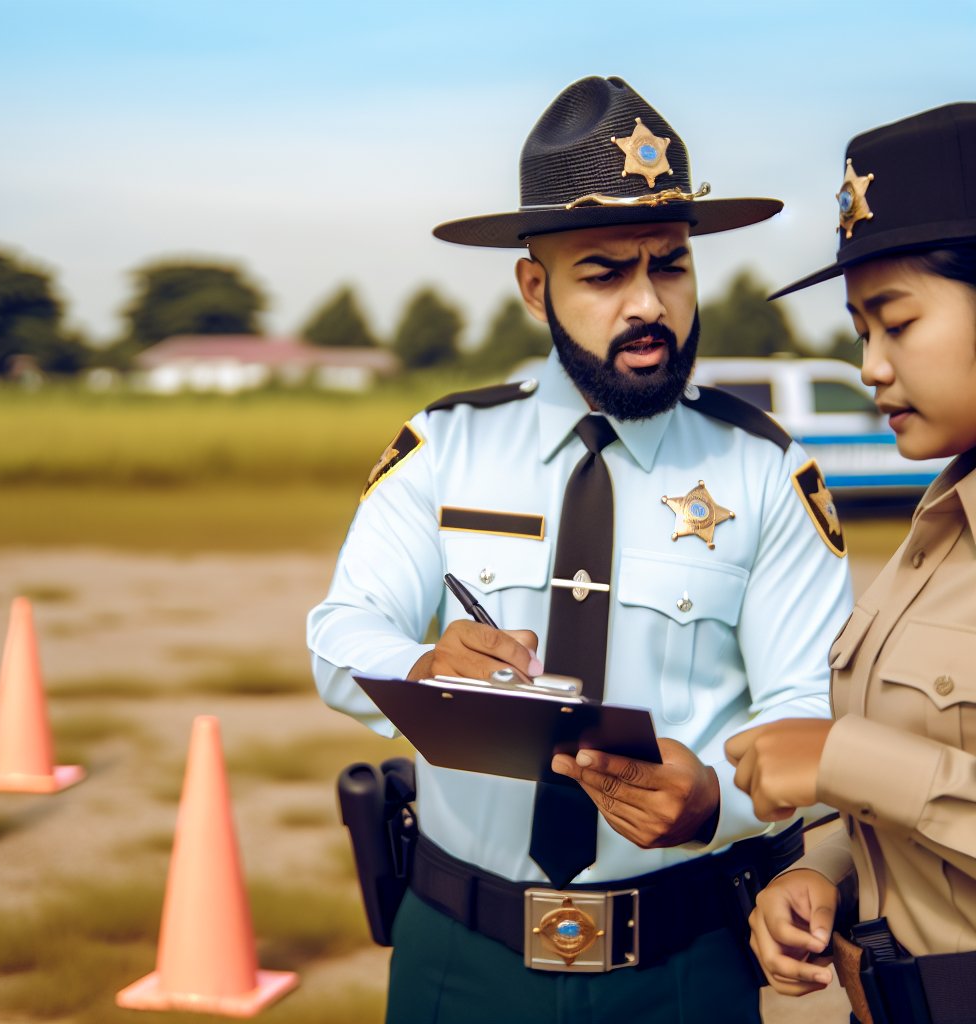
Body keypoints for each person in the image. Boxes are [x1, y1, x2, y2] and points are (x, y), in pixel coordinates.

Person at [308, 76, 853, 1024]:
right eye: (603, 273)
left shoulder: (768, 469)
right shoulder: (445, 446)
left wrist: (715, 801)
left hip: (685, 960)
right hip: (458, 952)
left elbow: (808, 705)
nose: (649, 303)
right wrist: (425, 667)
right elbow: (341, 634)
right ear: (536, 286)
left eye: (671, 265)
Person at [725, 103, 976, 1024]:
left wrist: (841, 758)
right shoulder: (942, 516)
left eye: (896, 323)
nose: (869, 365)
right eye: (859, 329)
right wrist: (824, 865)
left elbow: (887, 765)